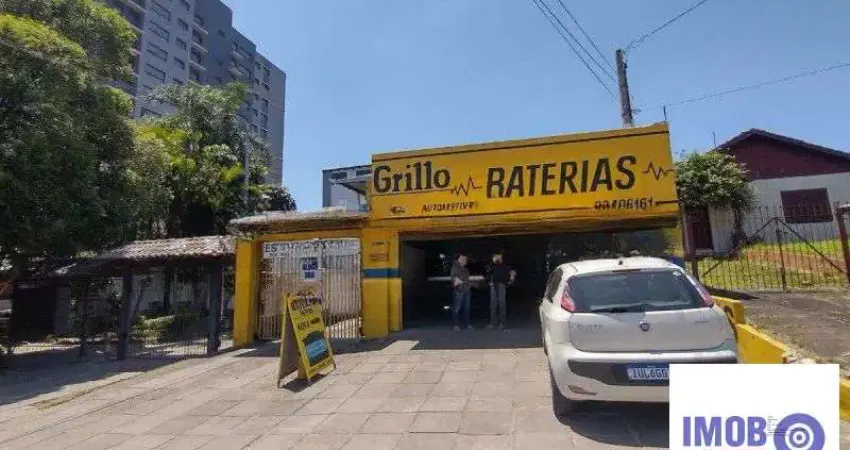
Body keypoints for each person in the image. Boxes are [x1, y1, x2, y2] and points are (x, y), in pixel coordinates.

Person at [487, 251, 515, 330]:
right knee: (493, 305)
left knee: (502, 304)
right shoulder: (492, 265)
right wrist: (490, 282)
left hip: (501, 285)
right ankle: (493, 323)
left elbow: (512, 272)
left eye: (498, 256)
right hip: (493, 285)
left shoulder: (505, 265)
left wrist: (511, 280)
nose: (496, 258)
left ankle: (502, 323)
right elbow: (488, 273)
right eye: (495, 257)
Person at [450, 253, 473, 331]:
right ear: (460, 259)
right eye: (464, 259)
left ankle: (467, 324)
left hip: (466, 291)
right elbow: (455, 279)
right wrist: (462, 282)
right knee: (457, 308)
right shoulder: (455, 267)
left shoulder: (466, 269)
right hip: (459, 291)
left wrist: (468, 284)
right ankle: (456, 325)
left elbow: (467, 279)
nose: (466, 260)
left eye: (466, 259)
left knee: (467, 308)